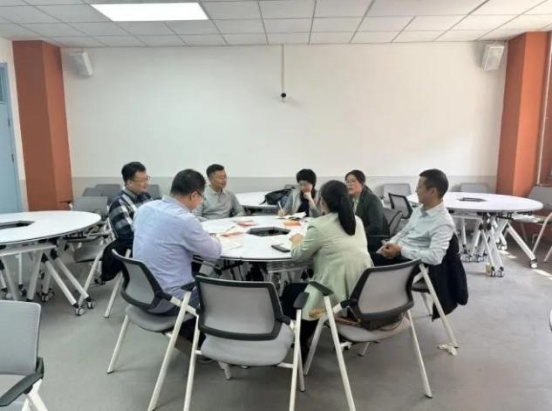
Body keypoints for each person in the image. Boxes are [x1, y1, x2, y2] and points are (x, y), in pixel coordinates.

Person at [283, 180, 373, 354]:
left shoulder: (319, 225)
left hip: (333, 294)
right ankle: (312, 330)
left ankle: (300, 339)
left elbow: (298, 255)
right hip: (361, 289)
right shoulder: (357, 221)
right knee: (308, 288)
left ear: (322, 201)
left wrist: (296, 241)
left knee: (291, 292)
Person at [133, 169, 222, 314]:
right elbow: (213, 254)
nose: (201, 201)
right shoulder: (185, 220)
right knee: (221, 288)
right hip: (169, 301)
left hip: (140, 294)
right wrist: (215, 237)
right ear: (194, 195)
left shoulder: (144, 209)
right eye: (202, 197)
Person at [372, 169, 455, 267]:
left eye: (419, 187)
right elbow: (403, 233)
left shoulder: (443, 222)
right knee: (361, 259)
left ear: (432, 191)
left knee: (361, 266)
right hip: (397, 254)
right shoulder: (419, 210)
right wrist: (388, 246)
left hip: (409, 263)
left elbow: (435, 257)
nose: (416, 191)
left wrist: (401, 251)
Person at [345, 170, 389, 251]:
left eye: (353, 181)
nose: (349, 184)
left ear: (362, 183)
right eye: (347, 182)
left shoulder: (372, 200)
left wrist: (356, 232)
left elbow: (376, 227)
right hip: (361, 234)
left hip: (373, 238)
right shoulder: (351, 198)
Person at [108, 161, 152, 240]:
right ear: (130, 183)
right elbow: (128, 235)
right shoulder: (119, 203)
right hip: (133, 245)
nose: (146, 183)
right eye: (142, 180)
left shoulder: (146, 196)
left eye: (146, 179)